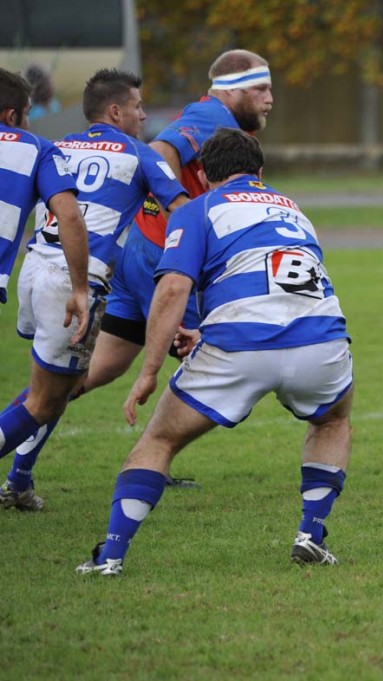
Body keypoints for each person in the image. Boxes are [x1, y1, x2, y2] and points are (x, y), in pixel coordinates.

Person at [76, 129, 354, 576]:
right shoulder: (295, 210)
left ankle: (110, 556)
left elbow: (172, 289)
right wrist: (204, 332)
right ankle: (311, 535)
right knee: (334, 419)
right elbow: (277, 286)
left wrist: (148, 372)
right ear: (261, 174)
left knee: (160, 440)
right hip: (320, 339)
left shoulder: (197, 208)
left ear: (202, 176)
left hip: (240, 346)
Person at [2, 49, 274, 492]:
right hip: (155, 259)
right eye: (261, 89)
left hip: (89, 265)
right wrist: (184, 222)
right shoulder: (210, 115)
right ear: (232, 91)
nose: (269, 99)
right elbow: (162, 151)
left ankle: (20, 476)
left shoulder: (62, 144)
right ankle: (151, 461)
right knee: (206, 352)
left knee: (80, 376)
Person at [0, 69, 189, 511]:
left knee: (55, 388)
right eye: (139, 107)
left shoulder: (56, 146)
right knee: (46, 399)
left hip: (33, 271)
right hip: (74, 282)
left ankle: (20, 481)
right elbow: (184, 211)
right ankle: (16, 480)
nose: (144, 116)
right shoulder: (141, 155)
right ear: (116, 111)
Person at [0, 68, 90, 490]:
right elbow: (69, 215)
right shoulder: (38, 149)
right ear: (13, 116)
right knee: (45, 399)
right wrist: (79, 288)